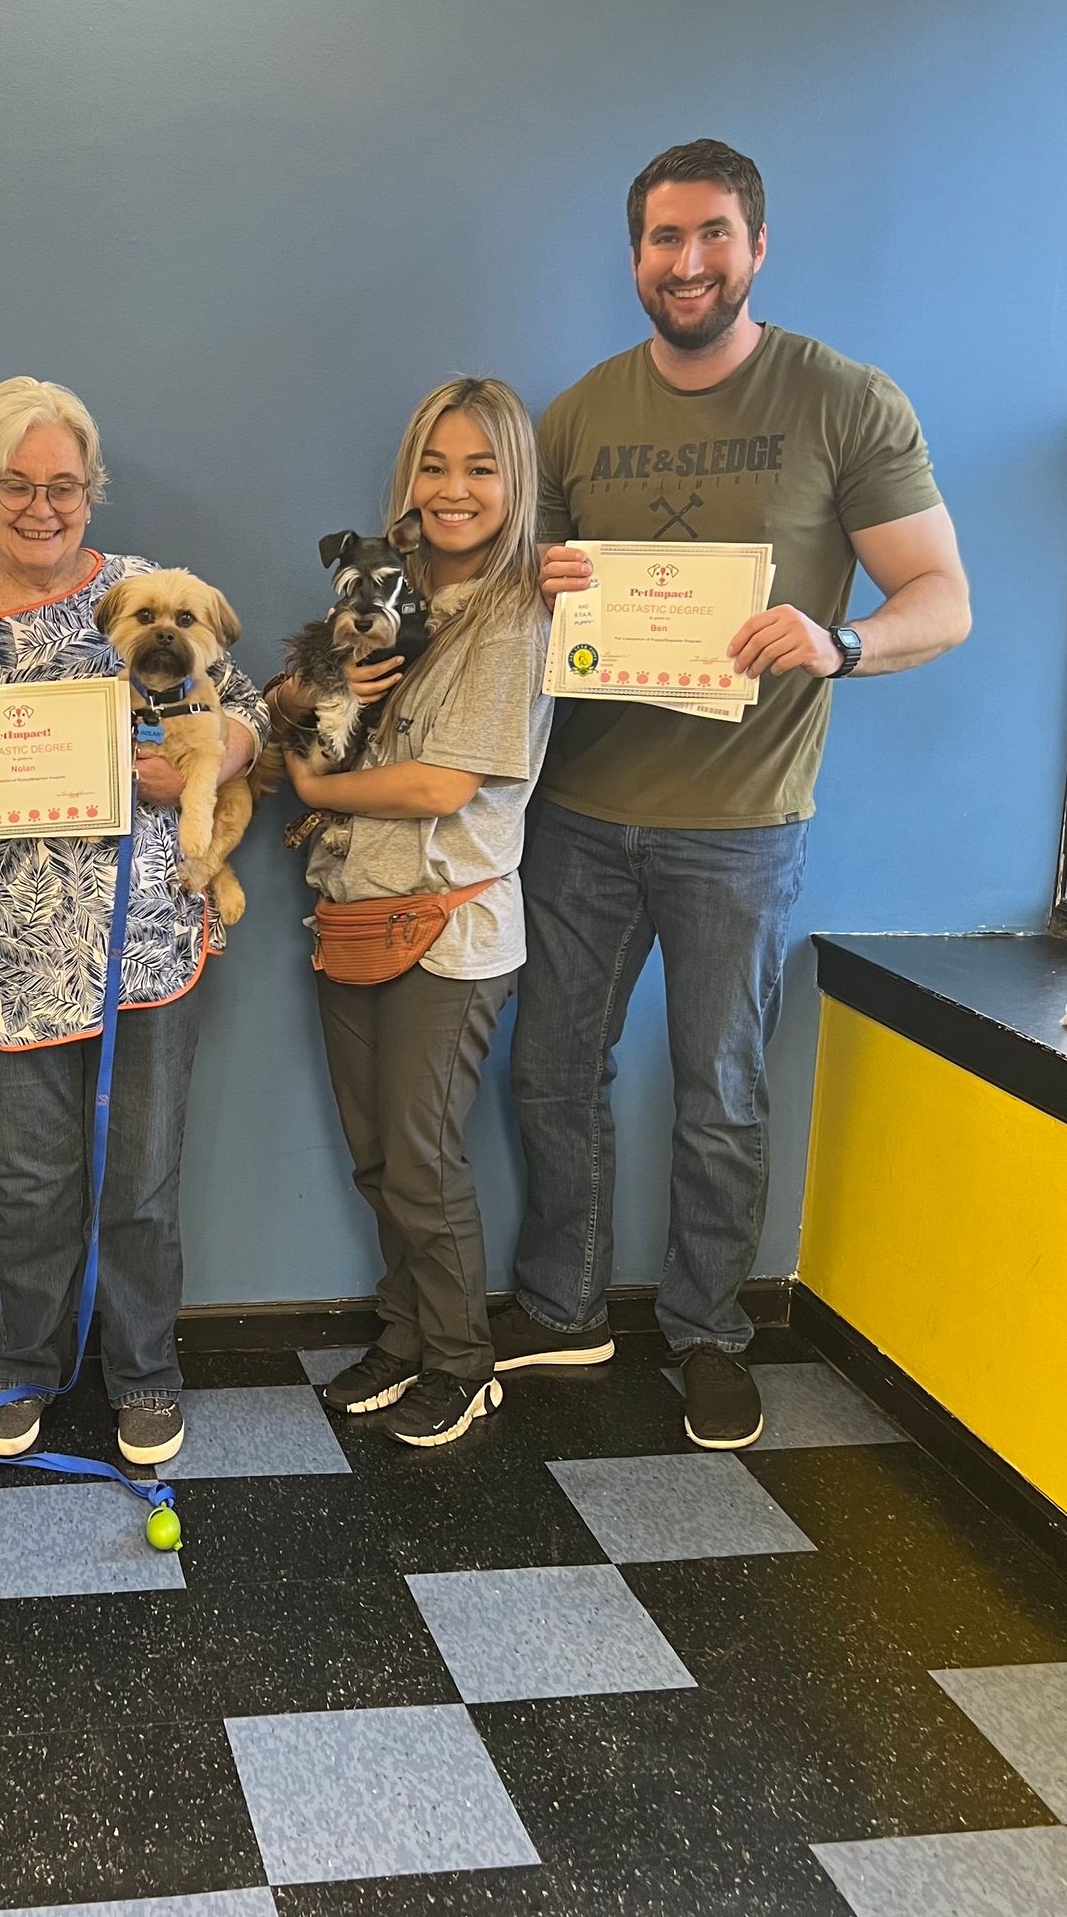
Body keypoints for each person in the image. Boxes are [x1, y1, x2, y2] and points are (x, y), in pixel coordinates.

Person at [496, 141, 971, 1447]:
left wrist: (838, 641)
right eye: (665, 238)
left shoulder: (843, 400)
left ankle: (708, 1334)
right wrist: (540, 583)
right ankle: (562, 1307)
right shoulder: (577, 414)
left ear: (757, 246)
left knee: (720, 1088)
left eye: (714, 234)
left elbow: (942, 599)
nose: (689, 261)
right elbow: (513, 608)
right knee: (551, 1070)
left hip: (744, 827)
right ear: (635, 256)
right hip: (577, 812)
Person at [0, 376, 266, 1468]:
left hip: (146, 938)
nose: (41, 507)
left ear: (92, 491)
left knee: (142, 1176)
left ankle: (145, 1374)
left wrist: (206, 758)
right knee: (31, 1182)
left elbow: (248, 713)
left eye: (64, 486)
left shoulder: (150, 592)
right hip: (3, 953)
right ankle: (27, 1368)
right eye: (16, 485)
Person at [268, 378, 552, 1447]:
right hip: (353, 909)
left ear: (515, 482)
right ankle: (404, 1334)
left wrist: (317, 785)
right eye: (435, 465)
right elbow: (288, 701)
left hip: (451, 925)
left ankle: (463, 1362)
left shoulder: (515, 612)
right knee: (378, 1156)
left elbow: (442, 785)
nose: (453, 488)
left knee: (424, 1157)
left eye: (481, 468)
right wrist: (299, 703)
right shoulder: (379, 589)